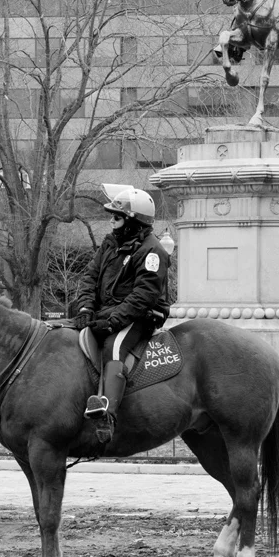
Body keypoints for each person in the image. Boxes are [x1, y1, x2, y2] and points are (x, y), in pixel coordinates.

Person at [74, 185, 170, 442]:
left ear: (132, 221)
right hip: (106, 313)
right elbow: (89, 277)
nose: (111, 221)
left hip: (141, 316)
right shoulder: (109, 244)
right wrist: (85, 308)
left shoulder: (153, 251)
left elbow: (144, 296)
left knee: (114, 347)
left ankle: (107, 416)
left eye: (116, 217)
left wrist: (112, 321)